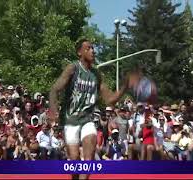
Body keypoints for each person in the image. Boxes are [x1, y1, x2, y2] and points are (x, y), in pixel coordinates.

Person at [49, 39, 133, 179]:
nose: (93, 51)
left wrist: (125, 86)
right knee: (75, 160)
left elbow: (110, 100)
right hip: (70, 119)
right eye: (88, 48)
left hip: (87, 120)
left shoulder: (96, 75)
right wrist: (53, 109)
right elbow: (54, 89)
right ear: (79, 52)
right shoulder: (73, 68)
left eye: (93, 48)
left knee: (89, 160)